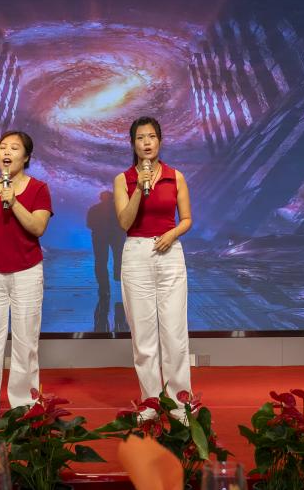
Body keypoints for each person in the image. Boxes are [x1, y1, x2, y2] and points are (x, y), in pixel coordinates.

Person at [0, 130, 53, 428]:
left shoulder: (38, 189)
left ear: (26, 157)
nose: (6, 152)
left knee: (25, 342)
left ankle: (24, 406)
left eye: (14, 148)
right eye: (2, 147)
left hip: (27, 271)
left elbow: (38, 227)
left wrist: (13, 201)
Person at [113, 116, 193, 413]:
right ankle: (150, 404)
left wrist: (172, 234)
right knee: (143, 337)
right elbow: (124, 222)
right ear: (132, 143)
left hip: (169, 252)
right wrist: (139, 188)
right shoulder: (123, 180)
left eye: (151, 137)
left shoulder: (176, 176)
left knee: (174, 334)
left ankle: (180, 404)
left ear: (160, 140)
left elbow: (187, 219)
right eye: (140, 138)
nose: (146, 143)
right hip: (136, 254)